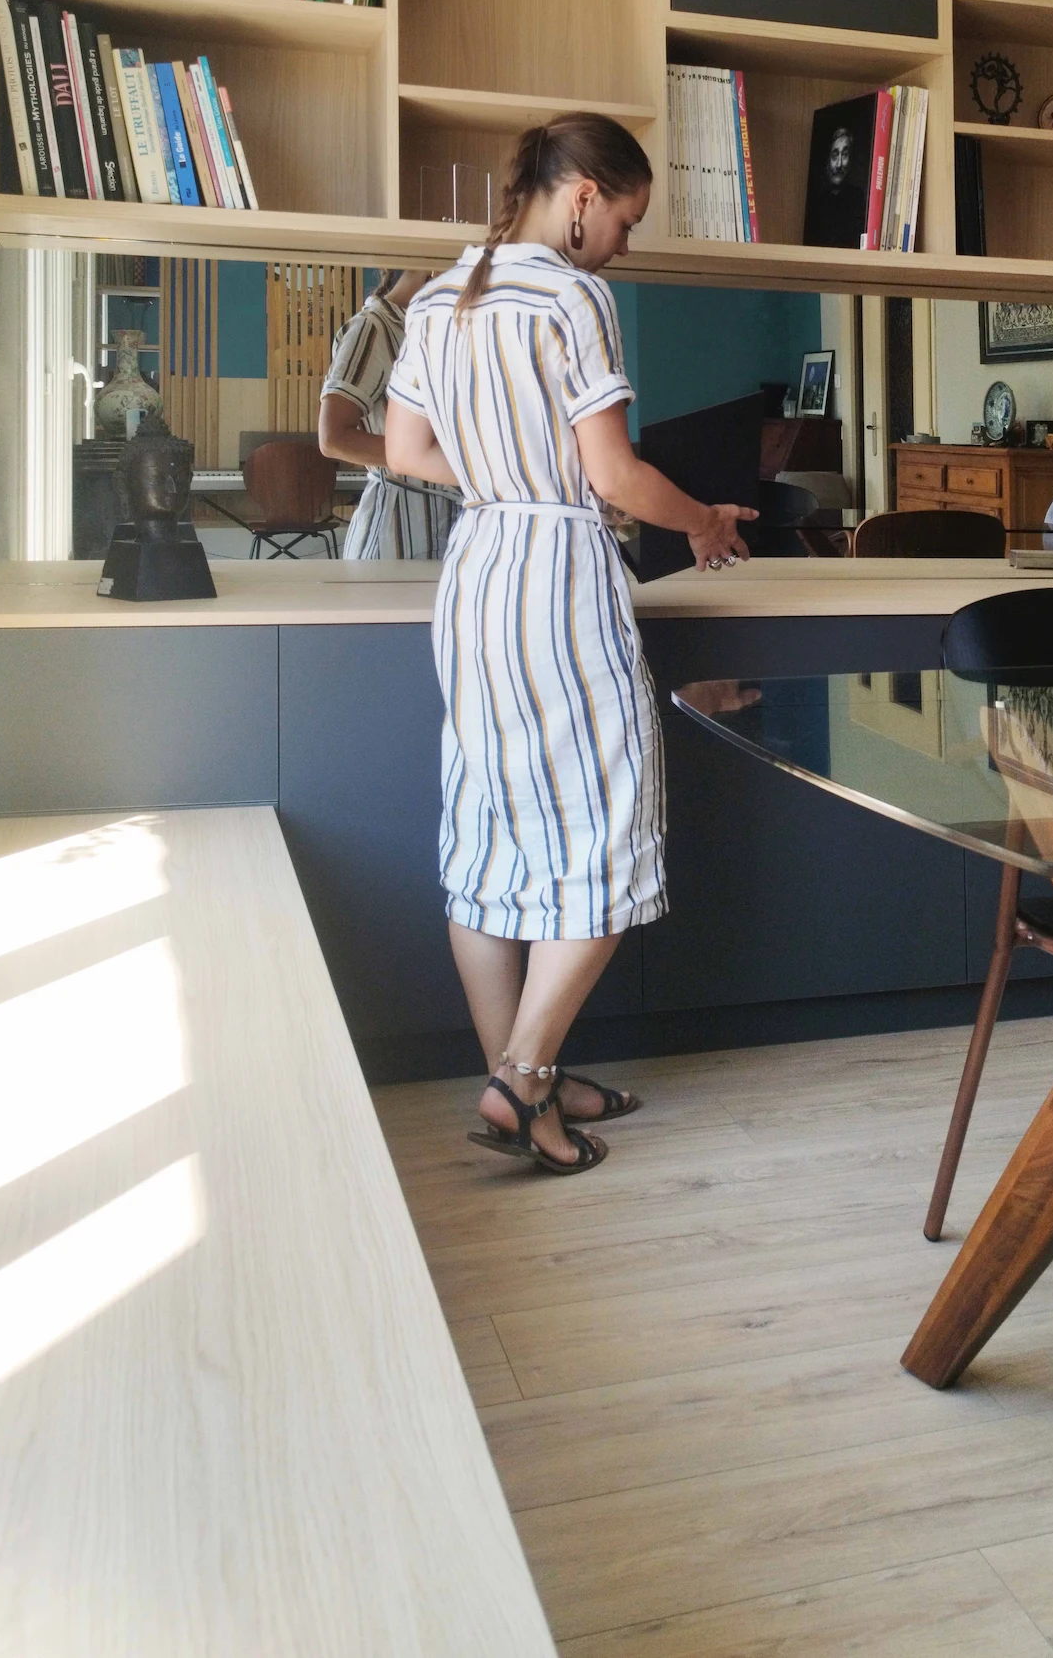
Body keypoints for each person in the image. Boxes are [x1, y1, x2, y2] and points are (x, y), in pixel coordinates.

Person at [383, 113, 756, 1174]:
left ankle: (524, 1079)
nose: (624, 246)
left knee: (491, 832)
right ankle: (524, 1077)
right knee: (607, 826)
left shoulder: (440, 294)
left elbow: (404, 449)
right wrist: (704, 521)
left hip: (475, 575)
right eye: (626, 220)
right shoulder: (572, 296)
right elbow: (614, 476)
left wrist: (504, 474)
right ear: (584, 194)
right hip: (555, 577)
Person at [319, 271, 459, 558]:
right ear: (432, 269)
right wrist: (433, 459)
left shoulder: (433, 328)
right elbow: (333, 438)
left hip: (443, 525)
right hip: (398, 532)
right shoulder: (373, 328)